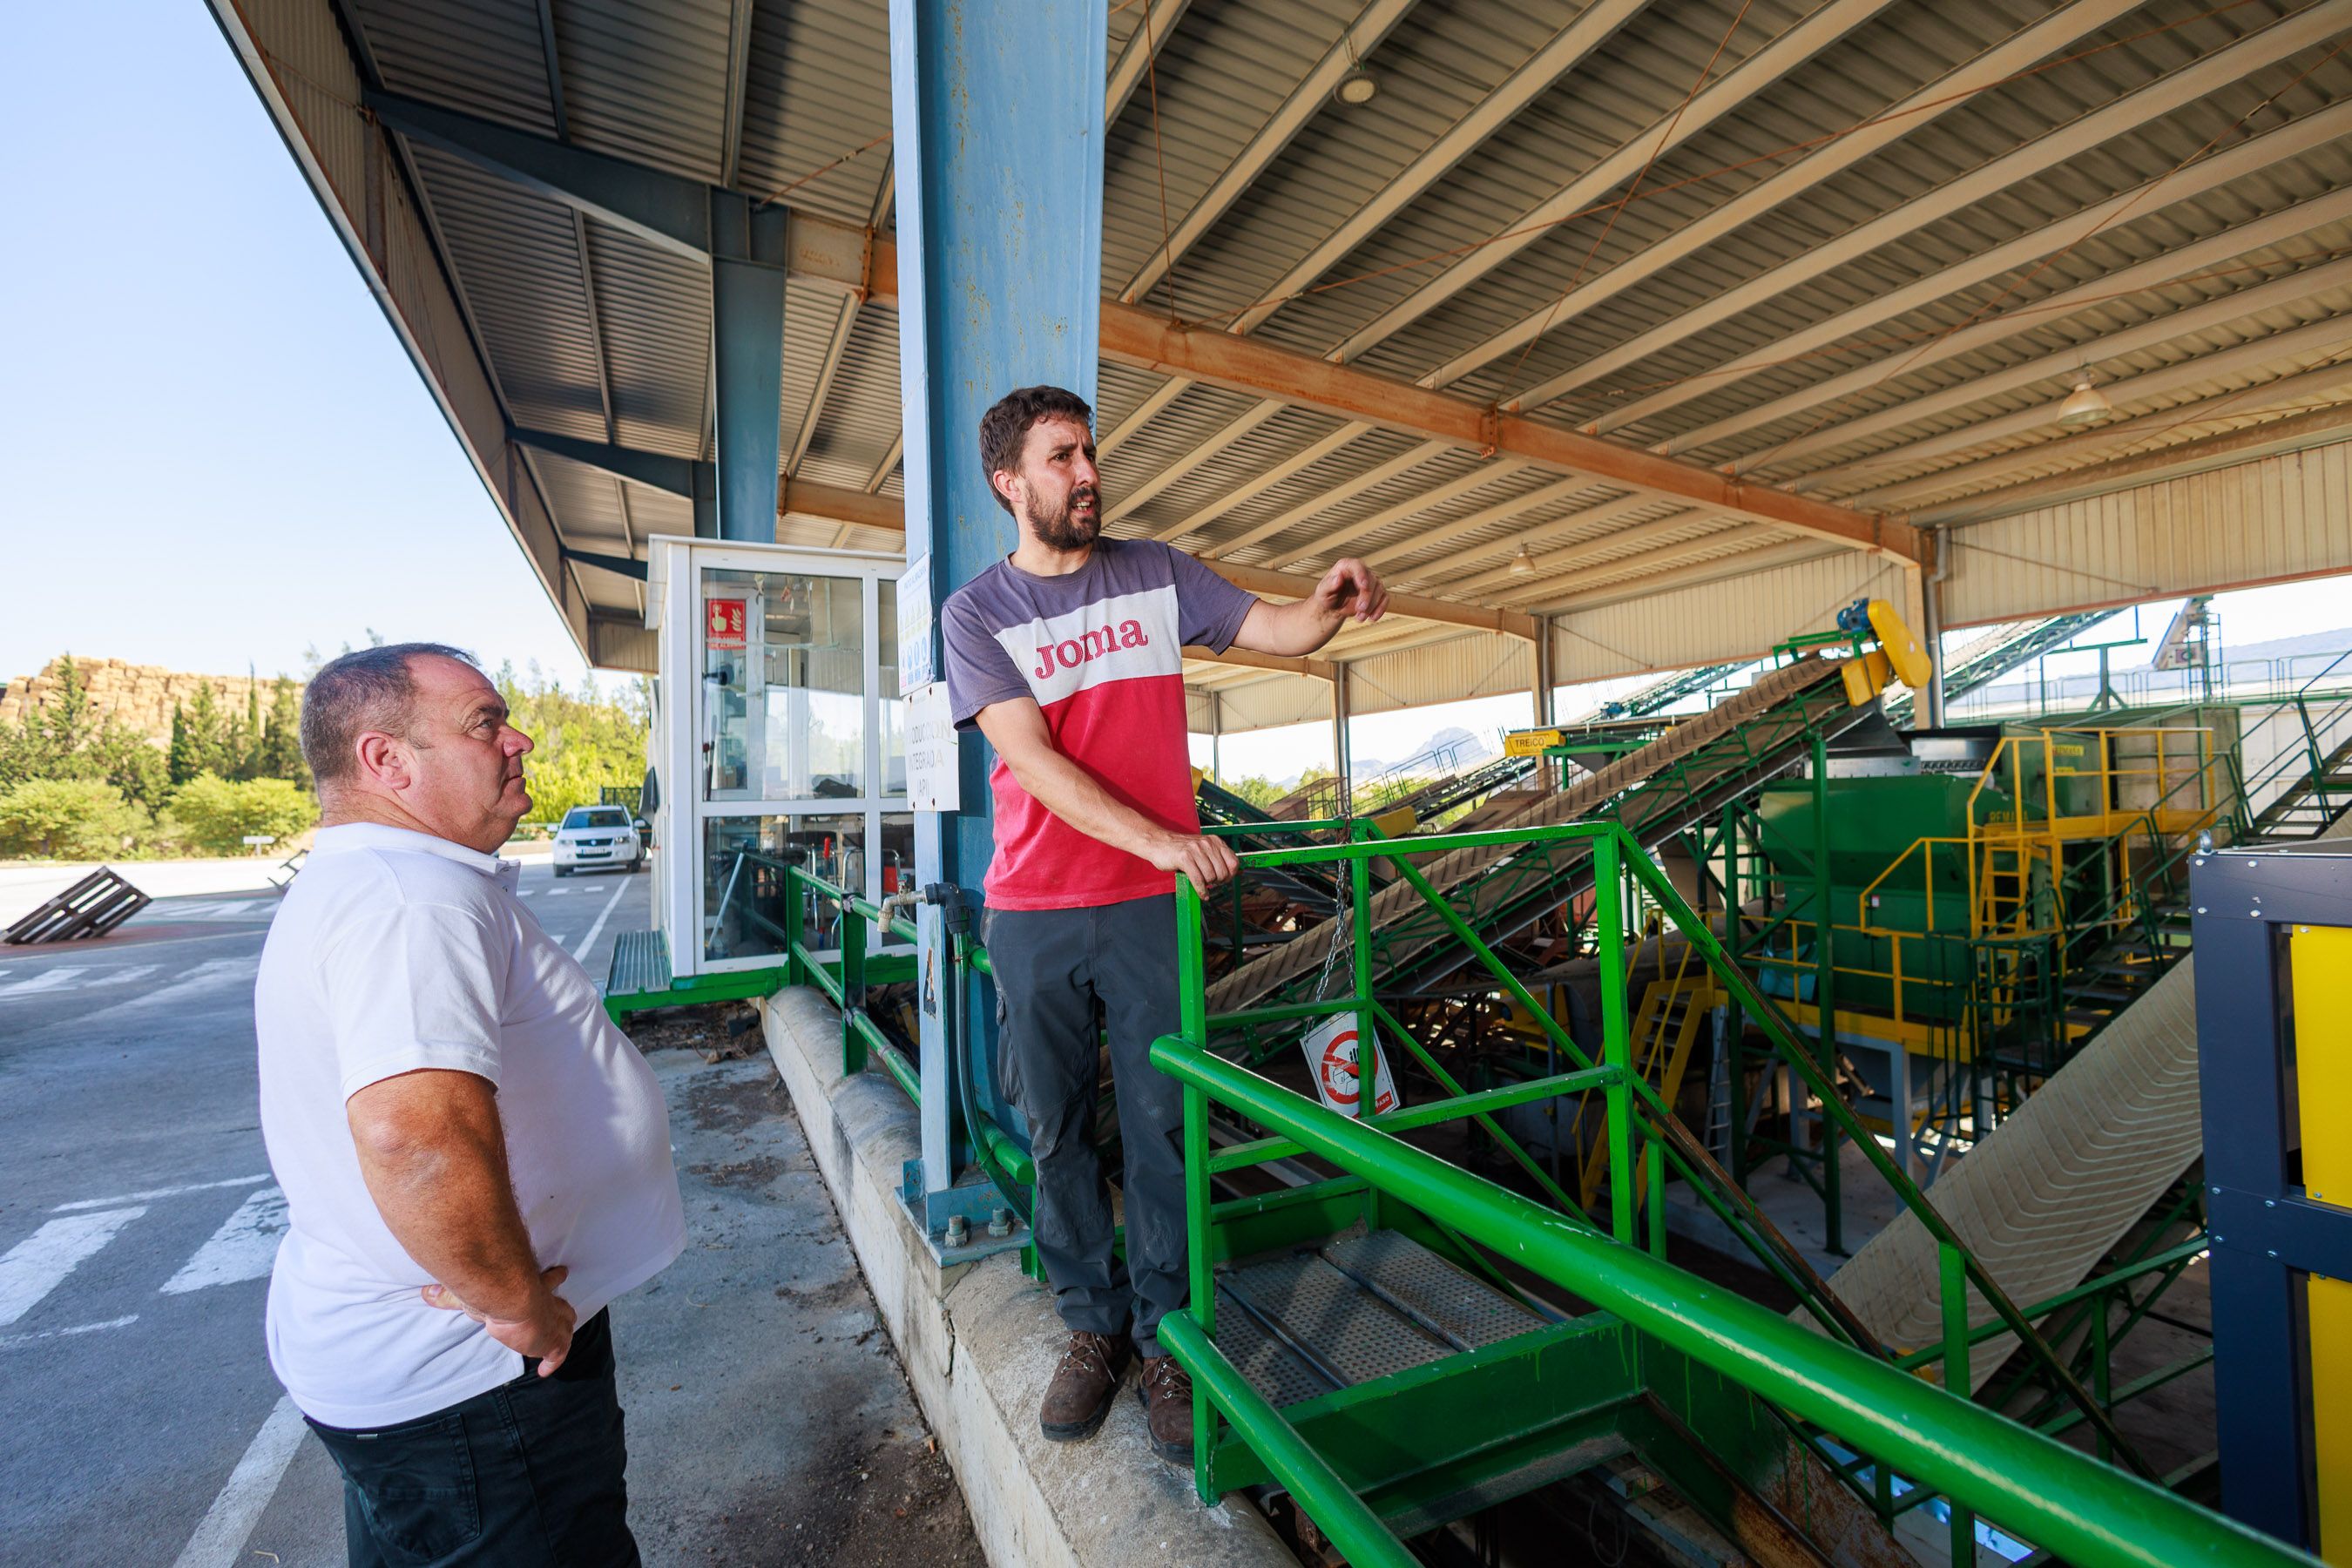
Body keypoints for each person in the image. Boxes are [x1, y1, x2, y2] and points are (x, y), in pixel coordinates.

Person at [941, 385, 1388, 1464]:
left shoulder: (1158, 572)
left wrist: (1324, 600)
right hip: (1038, 912)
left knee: (1164, 1130)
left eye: (1091, 452)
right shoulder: (976, 614)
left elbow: (1271, 628)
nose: (1088, 472)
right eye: (1062, 458)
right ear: (1010, 482)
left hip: (1146, 912)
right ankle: (1091, 1329)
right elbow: (1034, 763)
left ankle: (1169, 1342)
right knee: (1053, 1126)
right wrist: (1162, 841)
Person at [255, 643, 685, 1565]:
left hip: (430, 1384)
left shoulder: (379, 882)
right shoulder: (410, 899)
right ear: (386, 761)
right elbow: (414, 1137)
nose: (518, 738)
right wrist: (519, 1306)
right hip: (474, 1388)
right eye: (485, 723)